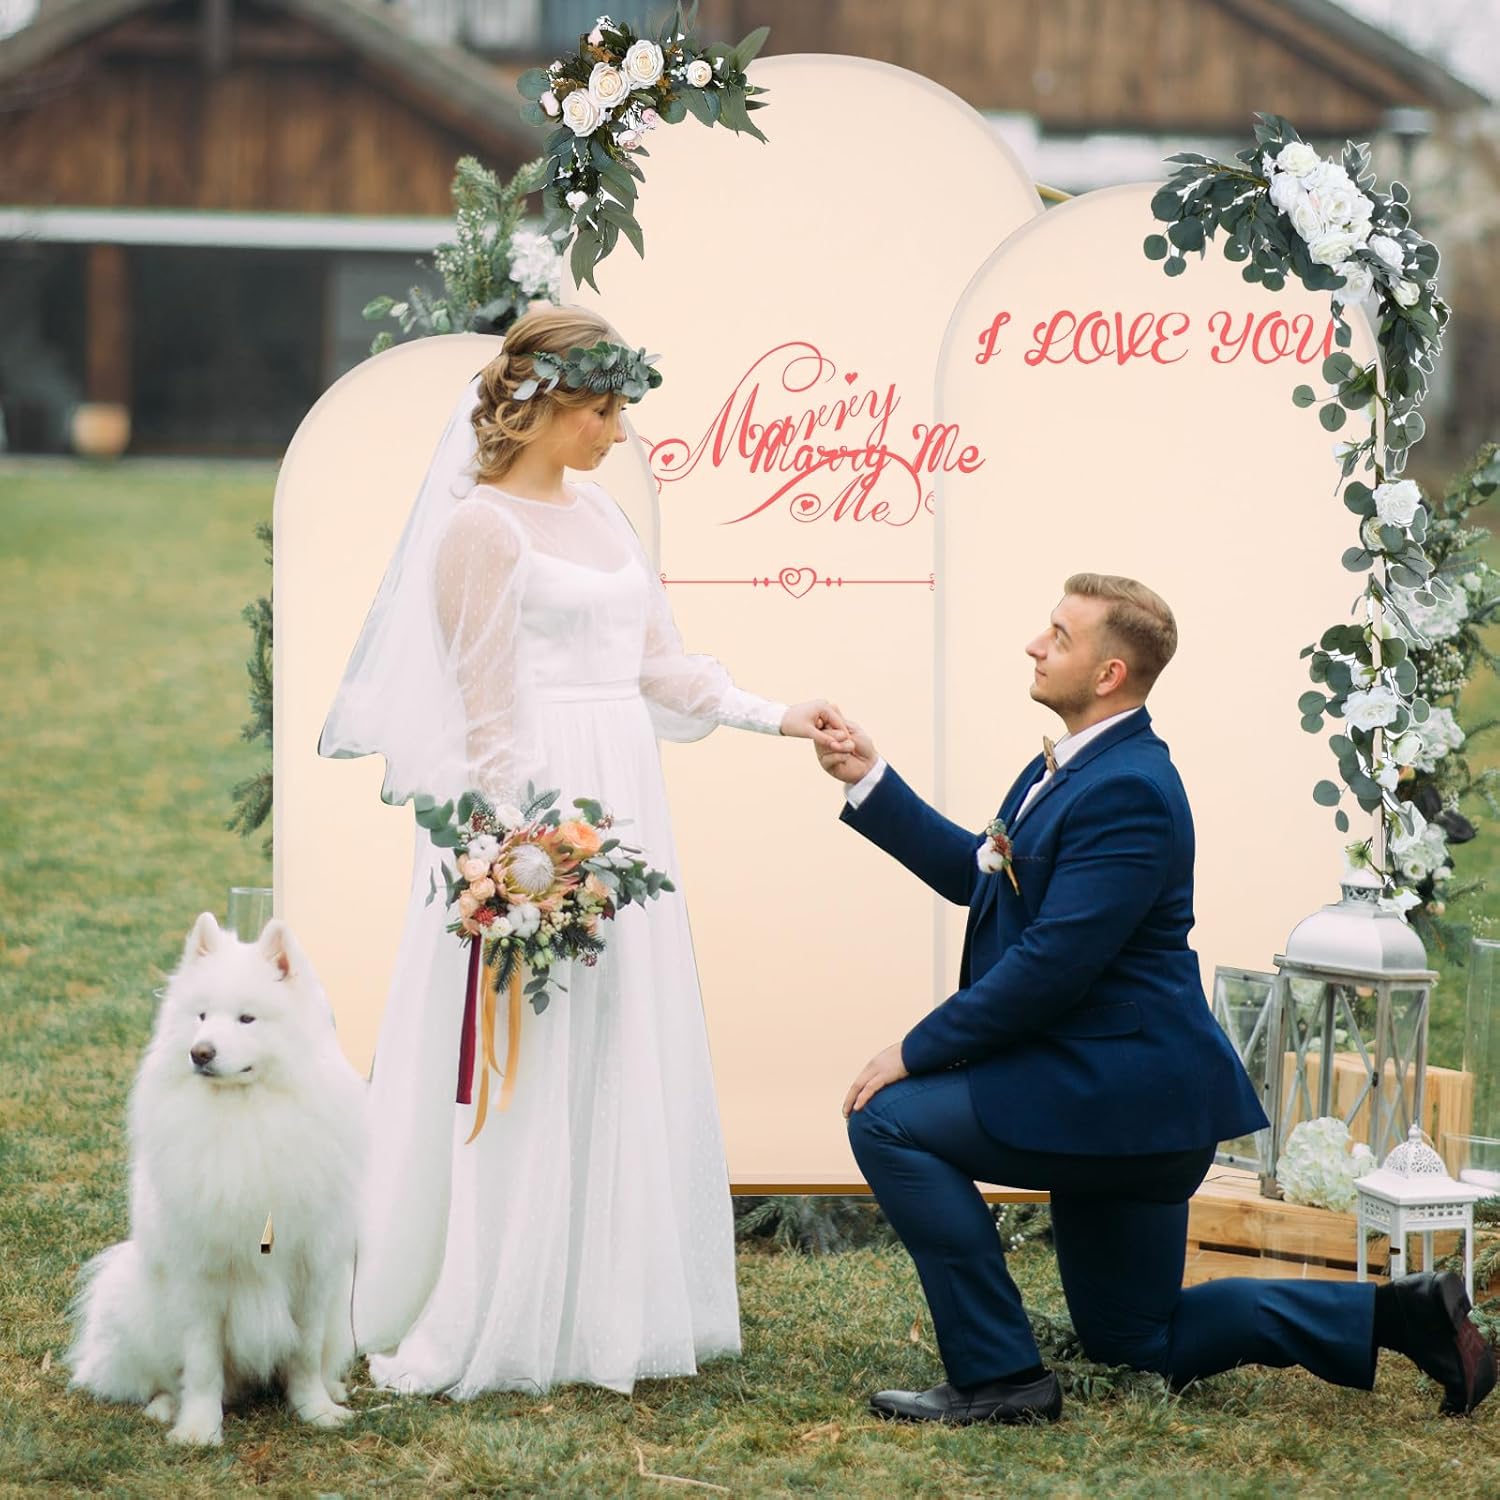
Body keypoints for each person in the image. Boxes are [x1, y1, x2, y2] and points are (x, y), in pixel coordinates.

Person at [319, 306, 851, 1397]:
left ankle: (606, 1299)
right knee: (529, 1044)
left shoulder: (606, 514)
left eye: (618, 410)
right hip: (534, 825)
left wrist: (778, 713)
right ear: (538, 406)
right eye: (601, 410)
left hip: (626, 800)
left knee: (615, 1030)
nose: (617, 431)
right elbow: (486, 713)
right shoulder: (479, 530)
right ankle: (499, 1302)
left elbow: (661, 666)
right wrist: (521, 863)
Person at [816, 573, 1495, 1425]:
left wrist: (909, 1053)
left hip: (1117, 1102)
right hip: (1126, 1109)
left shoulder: (1129, 790)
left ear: (1108, 675)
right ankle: (1404, 1314)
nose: (1035, 645)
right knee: (1137, 1337)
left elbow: (1051, 964)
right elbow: (984, 881)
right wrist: (869, 778)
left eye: (1058, 636)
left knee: (886, 1119)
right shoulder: (1072, 768)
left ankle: (999, 1378)